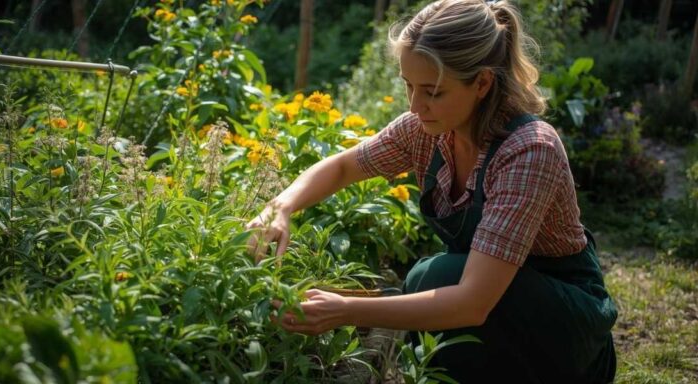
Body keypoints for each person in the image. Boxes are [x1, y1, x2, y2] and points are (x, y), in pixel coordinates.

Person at [245, 0, 618, 382]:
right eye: (408, 86)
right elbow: (342, 167)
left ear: (483, 83)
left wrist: (345, 310)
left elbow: (472, 303)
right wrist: (280, 207)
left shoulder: (528, 150)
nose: (415, 105)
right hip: (496, 308)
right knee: (430, 278)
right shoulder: (424, 131)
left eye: (433, 91)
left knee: (436, 278)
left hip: (565, 330)